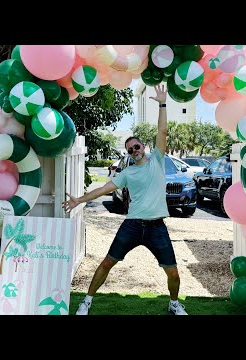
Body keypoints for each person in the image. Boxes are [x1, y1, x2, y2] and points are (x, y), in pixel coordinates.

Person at [62, 84, 187, 315]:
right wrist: (79, 199)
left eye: (136, 146)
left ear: (144, 146)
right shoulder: (127, 173)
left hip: (156, 227)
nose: (134, 150)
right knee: (107, 262)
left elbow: (163, 131)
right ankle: (87, 302)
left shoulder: (157, 160)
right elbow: (103, 189)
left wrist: (162, 103)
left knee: (173, 272)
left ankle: (174, 304)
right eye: (130, 149)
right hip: (132, 225)